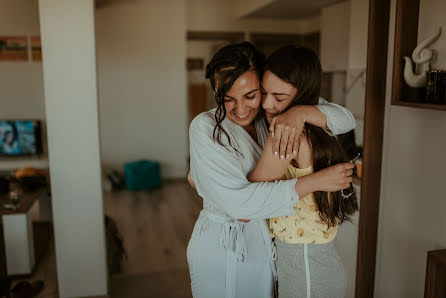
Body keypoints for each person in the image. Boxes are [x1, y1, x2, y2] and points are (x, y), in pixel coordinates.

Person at [187, 42, 355, 298]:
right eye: (227, 98)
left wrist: (300, 113)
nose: (241, 110)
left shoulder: (275, 119)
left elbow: (345, 119)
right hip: (223, 245)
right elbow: (241, 210)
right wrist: (315, 181)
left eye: (251, 96)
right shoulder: (206, 126)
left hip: (268, 241)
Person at [249, 45, 359, 298]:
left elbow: (253, 198)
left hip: (306, 267)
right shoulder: (317, 124)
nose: (266, 103)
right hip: (312, 261)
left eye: (279, 97)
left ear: (303, 94)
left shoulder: (287, 133)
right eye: (264, 92)